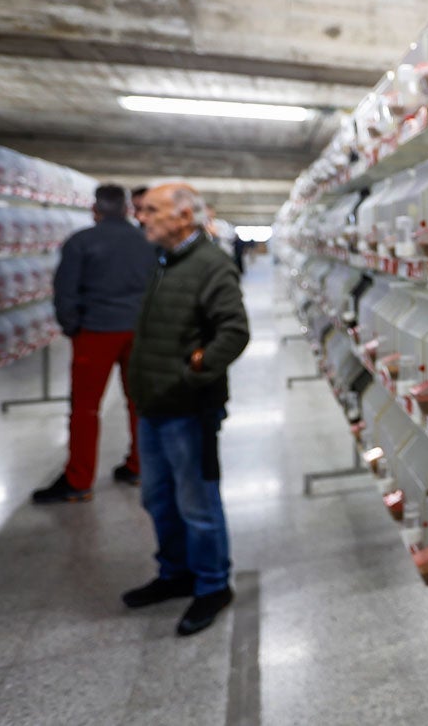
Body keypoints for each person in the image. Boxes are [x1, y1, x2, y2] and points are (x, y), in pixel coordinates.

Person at [121, 182, 250, 636]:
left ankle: (213, 584)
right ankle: (175, 574)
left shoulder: (210, 264)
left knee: (197, 500)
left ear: (183, 217)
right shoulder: (166, 261)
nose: (143, 216)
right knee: (158, 497)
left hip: (188, 407)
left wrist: (191, 376)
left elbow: (233, 332)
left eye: (152, 210)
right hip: (154, 404)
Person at [32, 184, 156, 504]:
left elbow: (65, 290)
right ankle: (139, 466)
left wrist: (71, 326)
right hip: (140, 331)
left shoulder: (81, 242)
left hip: (96, 332)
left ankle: (79, 480)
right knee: (138, 402)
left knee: (85, 409)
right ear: (129, 210)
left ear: (95, 210)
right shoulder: (147, 242)